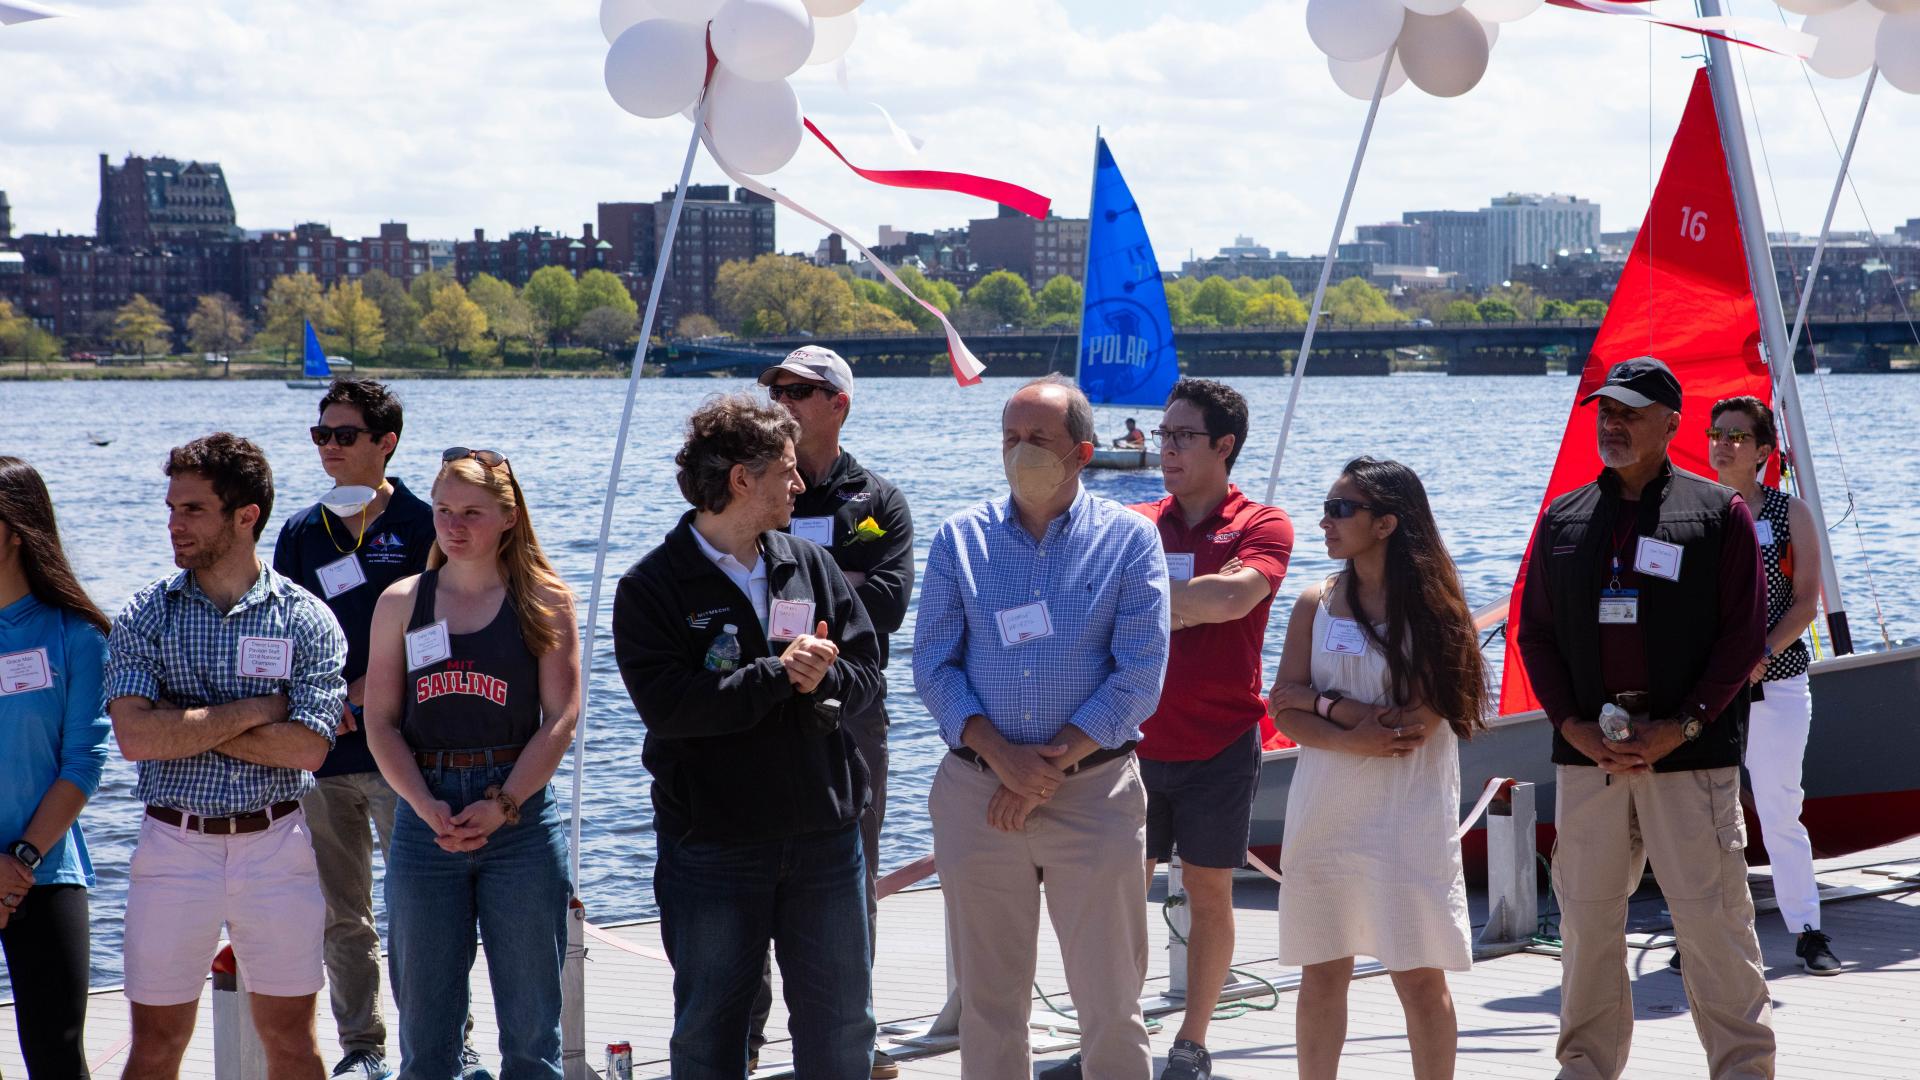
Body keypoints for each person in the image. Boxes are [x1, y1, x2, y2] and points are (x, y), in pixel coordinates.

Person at [1516, 357, 1774, 1080]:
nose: (1614, 424)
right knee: (1588, 931)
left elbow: (1742, 639)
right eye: (1606, 412)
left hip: (1690, 760)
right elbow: (1533, 632)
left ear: (1670, 423)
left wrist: (1682, 725)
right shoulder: (1563, 518)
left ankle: (1744, 1071)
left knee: (1713, 928)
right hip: (1589, 762)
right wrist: (1570, 726)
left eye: (1630, 413)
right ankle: (1586, 1070)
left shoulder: (1717, 514)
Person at [613, 395, 883, 1080]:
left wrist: (825, 680)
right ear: (741, 478)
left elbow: (868, 675)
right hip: (714, 847)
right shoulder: (652, 586)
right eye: (787, 471)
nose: (799, 484)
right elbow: (671, 710)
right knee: (710, 1031)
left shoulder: (808, 564)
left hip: (825, 838)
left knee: (843, 1027)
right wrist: (775, 675)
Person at [913, 374, 1170, 1080]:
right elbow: (933, 667)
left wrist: (1042, 773)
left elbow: (1140, 675)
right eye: (1011, 438)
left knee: (1112, 1003)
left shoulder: (1130, 541)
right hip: (977, 796)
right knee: (989, 1010)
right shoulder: (956, 540)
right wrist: (1003, 760)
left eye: (1039, 439)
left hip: (1094, 797)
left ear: (1084, 452)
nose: (1021, 451)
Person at [104, 433, 348, 1080]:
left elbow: (310, 747)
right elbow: (135, 740)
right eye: (171, 507)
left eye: (192, 509)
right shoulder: (143, 614)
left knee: (293, 1044)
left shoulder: (307, 621)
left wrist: (180, 720)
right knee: (154, 1047)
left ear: (247, 517)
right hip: (172, 842)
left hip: (276, 843)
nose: (173, 524)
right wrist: (258, 710)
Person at [362, 447, 579, 1080]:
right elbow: (379, 722)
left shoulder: (544, 600)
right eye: (443, 511)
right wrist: (425, 806)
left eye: (472, 513)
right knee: (427, 1038)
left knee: (532, 1036)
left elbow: (560, 719)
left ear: (509, 517)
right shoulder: (402, 602)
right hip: (427, 815)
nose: (454, 527)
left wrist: (504, 804)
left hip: (520, 818)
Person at [1265, 457, 1483, 1080]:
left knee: (1417, 974)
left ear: (1387, 522)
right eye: (1328, 507)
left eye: (1342, 509)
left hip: (1406, 817)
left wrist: (1323, 706)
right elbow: (1284, 707)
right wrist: (1343, 717)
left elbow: (1412, 725)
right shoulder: (1316, 602)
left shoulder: (1437, 611)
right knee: (1322, 970)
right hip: (1325, 811)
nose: (1326, 521)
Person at [1120, 379, 1293, 1080]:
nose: (1166, 450)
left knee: (1209, 890)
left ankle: (1192, 1042)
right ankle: (1115, 1030)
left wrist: (1141, 604)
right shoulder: (1132, 521)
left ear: (1224, 446)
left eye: (1183, 438)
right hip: (1129, 740)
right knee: (1121, 892)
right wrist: (1187, 604)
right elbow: (1103, 601)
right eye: (1163, 437)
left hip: (1221, 742)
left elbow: (1234, 598)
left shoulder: (1263, 523)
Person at [754, 346, 914, 1079]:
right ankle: (744, 1040)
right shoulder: (751, 490)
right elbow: (735, 602)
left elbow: (886, 605)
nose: (781, 397)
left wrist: (823, 589)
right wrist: (840, 584)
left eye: (799, 389)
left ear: (838, 403)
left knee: (854, 873)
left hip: (849, 710)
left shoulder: (876, 503)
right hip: (760, 703)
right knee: (746, 866)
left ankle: (856, 1036)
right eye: (775, 386)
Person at [274, 379, 439, 1080]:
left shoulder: (429, 525)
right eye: (321, 435)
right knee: (343, 916)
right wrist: (319, 701)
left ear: (385, 443)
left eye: (345, 435)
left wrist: (368, 692)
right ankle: (362, 1049)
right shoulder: (300, 534)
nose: (330, 447)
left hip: (408, 752)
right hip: (326, 755)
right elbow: (278, 640)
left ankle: (440, 1044)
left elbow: (445, 634)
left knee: (423, 913)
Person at [1701, 395, 1838, 974]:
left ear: (1762, 452)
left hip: (1775, 685)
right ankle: (1703, 937)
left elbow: (1805, 601)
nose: (1724, 443)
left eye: (1737, 435)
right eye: (1717, 433)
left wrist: (1758, 654)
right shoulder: (1693, 511)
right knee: (1708, 812)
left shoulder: (1790, 514)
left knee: (1780, 809)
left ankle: (1807, 931)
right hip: (1708, 693)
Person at [0, 457, 112, 1078]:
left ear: (16, 529)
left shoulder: (78, 634)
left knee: (55, 1055)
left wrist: (18, 863)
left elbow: (83, 762)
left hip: (44, 871)